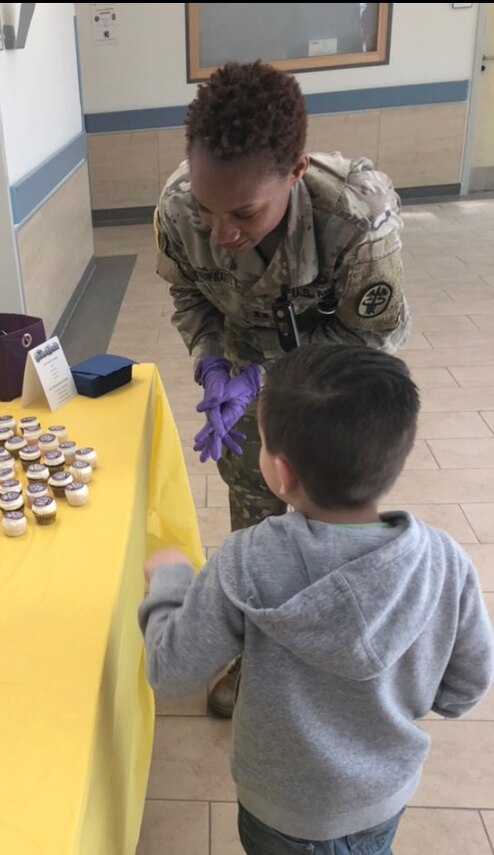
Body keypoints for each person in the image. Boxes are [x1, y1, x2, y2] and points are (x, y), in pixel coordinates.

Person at [138, 345, 494, 855]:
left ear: (279, 470)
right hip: (376, 795)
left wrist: (170, 583)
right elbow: (464, 689)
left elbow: (171, 669)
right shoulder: (445, 562)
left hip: (279, 800)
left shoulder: (245, 561)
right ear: (392, 458)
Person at [154, 61, 412, 716]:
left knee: (332, 523)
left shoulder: (356, 216)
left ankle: (340, 658)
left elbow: (374, 346)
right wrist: (215, 365)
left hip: (336, 396)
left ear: (295, 172)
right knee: (255, 518)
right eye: (209, 211)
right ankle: (259, 654)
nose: (223, 234)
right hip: (245, 372)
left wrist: (269, 381)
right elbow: (191, 296)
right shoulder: (180, 211)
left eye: (244, 213)